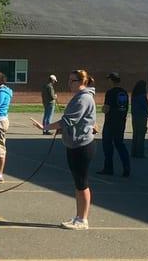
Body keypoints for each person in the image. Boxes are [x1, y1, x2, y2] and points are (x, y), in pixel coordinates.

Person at [32, 69, 96, 230]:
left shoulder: (84, 98)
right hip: (74, 143)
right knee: (78, 183)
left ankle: (83, 220)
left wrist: (46, 126)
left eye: (72, 80)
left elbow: (68, 120)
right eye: (69, 80)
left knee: (82, 183)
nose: (69, 83)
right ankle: (79, 216)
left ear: (82, 82)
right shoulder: (79, 97)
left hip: (82, 145)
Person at [96, 72, 130, 177]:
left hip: (110, 122)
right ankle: (126, 167)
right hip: (121, 121)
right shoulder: (124, 92)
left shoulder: (110, 92)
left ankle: (108, 168)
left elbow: (106, 108)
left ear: (111, 80)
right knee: (120, 144)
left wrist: (102, 109)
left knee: (107, 145)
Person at [131, 80, 148, 158]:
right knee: (141, 135)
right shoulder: (142, 96)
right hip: (142, 116)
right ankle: (140, 153)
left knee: (135, 134)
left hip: (135, 116)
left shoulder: (134, 95)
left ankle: (134, 152)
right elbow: (145, 106)